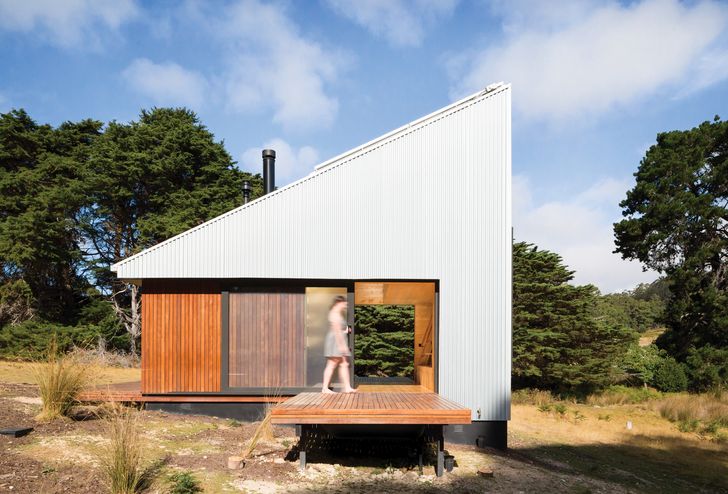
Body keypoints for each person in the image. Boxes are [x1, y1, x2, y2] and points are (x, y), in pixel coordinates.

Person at [321, 295, 356, 393]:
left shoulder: (338, 314)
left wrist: (345, 330)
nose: (345, 306)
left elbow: (339, 329)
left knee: (344, 364)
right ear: (338, 303)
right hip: (335, 342)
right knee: (332, 364)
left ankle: (347, 387)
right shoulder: (334, 314)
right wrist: (342, 346)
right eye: (344, 304)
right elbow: (336, 332)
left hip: (339, 340)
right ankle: (324, 388)